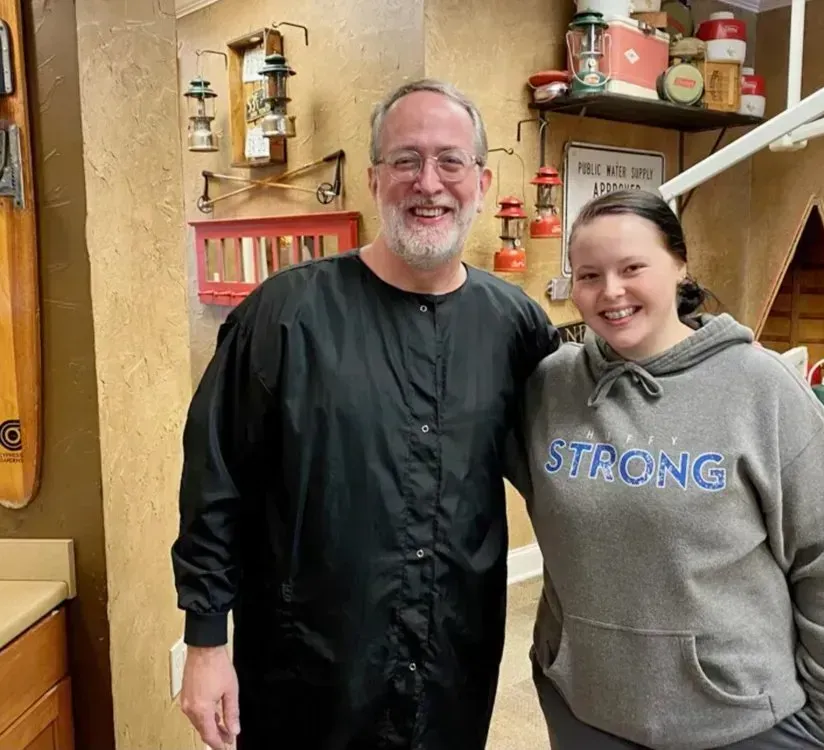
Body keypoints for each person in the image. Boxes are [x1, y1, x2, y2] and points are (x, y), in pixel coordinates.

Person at [171, 78, 560, 750]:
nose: (428, 183)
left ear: (482, 180)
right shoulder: (284, 317)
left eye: (450, 161)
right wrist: (205, 640)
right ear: (375, 178)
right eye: (406, 160)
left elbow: (574, 461)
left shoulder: (514, 325)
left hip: (452, 662)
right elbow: (216, 481)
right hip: (308, 670)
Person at [508, 189, 824, 750]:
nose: (610, 291)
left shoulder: (761, 389)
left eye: (632, 268)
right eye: (589, 275)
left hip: (741, 720)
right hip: (584, 708)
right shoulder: (550, 386)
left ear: (679, 265)